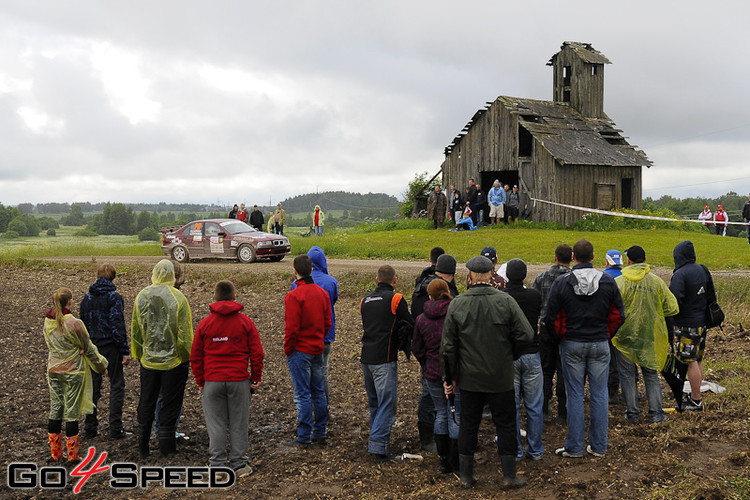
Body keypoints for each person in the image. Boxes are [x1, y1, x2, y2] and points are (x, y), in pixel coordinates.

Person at [442, 256, 534, 488]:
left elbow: (448, 347)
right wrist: (510, 354)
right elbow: (526, 334)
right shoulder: (505, 301)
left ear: (470, 276)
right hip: (500, 376)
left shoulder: (458, 304)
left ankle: (466, 476)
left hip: (470, 377)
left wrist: (449, 377)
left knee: (469, 424)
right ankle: (509, 475)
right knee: (505, 424)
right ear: (492, 274)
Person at [545, 239, 624, 459]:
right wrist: (607, 334)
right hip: (599, 342)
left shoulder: (562, 283)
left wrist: (561, 336)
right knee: (599, 395)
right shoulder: (607, 281)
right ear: (593, 256)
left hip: (572, 343)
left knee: (575, 395)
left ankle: (575, 447)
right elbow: (619, 314)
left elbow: (551, 317)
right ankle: (599, 446)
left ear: (573, 257)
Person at [191, 280, 264, 475]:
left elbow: (195, 356)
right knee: (239, 422)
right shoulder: (245, 322)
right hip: (239, 380)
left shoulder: (205, 324)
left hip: (212, 381)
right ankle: (239, 464)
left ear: (214, 298)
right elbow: (257, 353)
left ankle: (217, 465)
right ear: (234, 298)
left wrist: (201, 381)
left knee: (216, 424)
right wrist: (255, 378)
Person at [131, 259, 193, 458]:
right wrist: (186, 357)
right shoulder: (178, 298)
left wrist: (138, 353)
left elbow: (136, 329)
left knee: (147, 401)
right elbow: (184, 333)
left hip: (148, 361)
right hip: (174, 362)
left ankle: (142, 447)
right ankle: (167, 448)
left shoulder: (142, 296)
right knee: (170, 402)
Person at [613, 246, 678, 423]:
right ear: (645, 258)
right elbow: (672, 307)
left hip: (624, 337)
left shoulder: (620, 282)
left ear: (628, 261)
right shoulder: (656, 282)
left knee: (627, 375)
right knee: (650, 374)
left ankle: (632, 414)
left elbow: (611, 308)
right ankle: (656, 413)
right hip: (649, 335)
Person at [44, 288, 108, 462]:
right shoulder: (74, 323)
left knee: (55, 409)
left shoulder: (48, 321)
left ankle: (55, 453)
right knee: (72, 412)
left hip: (53, 370)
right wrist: (101, 366)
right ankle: (73, 455)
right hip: (73, 371)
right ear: (70, 302)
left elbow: (54, 344)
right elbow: (88, 348)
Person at [359, 265, 413, 462]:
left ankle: (376, 442)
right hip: (384, 358)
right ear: (395, 280)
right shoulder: (396, 299)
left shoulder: (364, 301)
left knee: (376, 403)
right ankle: (379, 448)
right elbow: (409, 322)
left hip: (366, 358)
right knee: (387, 404)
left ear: (376, 280)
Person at [410, 252, 458, 453]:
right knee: (452, 408)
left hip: (429, 359)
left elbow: (416, 341)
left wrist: (425, 359)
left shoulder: (421, 284)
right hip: (450, 362)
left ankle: (430, 440)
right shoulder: (451, 304)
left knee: (431, 400)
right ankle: (453, 450)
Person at [283, 255, 331, 447]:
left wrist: (288, 348)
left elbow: (292, 327)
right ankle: (320, 432)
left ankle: (303, 436)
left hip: (300, 350)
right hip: (316, 348)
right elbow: (327, 322)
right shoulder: (322, 293)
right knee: (318, 391)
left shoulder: (293, 296)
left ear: (295, 271)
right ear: (312, 270)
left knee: (302, 394)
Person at [80, 264, 131, 440]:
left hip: (93, 348)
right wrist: (124, 350)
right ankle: (115, 428)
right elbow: (117, 325)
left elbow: (83, 325)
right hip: (111, 347)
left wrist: (85, 347)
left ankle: (90, 427)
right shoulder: (114, 297)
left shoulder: (87, 298)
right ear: (113, 277)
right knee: (117, 385)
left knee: (93, 388)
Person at [501, 259, 544, 461]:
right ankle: (535, 450)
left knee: (511, 406)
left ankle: (515, 450)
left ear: (507, 276)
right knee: (534, 405)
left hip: (509, 355)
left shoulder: (502, 298)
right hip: (532, 353)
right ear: (525, 275)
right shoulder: (534, 296)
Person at [669, 241, 714, 411]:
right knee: (698, 358)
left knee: (689, 361)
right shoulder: (702, 269)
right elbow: (711, 294)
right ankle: (696, 393)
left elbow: (674, 301)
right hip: (701, 323)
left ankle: (696, 400)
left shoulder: (680, 274)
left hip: (686, 324)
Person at [291, 246, 338, 401]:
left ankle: (307, 407)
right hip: (325, 335)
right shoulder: (331, 282)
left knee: (304, 375)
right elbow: (334, 301)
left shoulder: (295, 284)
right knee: (322, 372)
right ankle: (324, 406)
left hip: (304, 337)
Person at [532, 244, 572, 422]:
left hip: (546, 328)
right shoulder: (573, 278)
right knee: (565, 370)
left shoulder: (542, 277)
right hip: (567, 329)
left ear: (555, 258)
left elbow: (534, 302)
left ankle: (544, 409)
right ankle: (563, 411)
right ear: (571, 258)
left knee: (545, 370)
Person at [602, 249, 624, 401]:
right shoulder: (625, 276)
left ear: (606, 261)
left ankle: (612, 391)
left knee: (611, 360)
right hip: (624, 323)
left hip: (608, 324)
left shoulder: (603, 277)